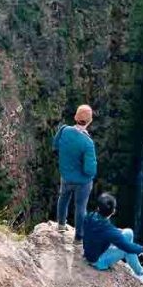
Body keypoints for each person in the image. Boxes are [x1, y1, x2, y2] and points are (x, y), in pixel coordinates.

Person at [82, 193, 143, 287]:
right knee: (127, 250)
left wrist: (116, 231)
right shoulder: (109, 230)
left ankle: (132, 261)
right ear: (113, 211)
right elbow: (128, 247)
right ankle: (140, 274)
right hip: (97, 261)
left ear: (98, 208)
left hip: (89, 252)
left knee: (128, 232)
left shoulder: (90, 216)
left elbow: (98, 232)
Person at [53, 104, 97, 242]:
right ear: (90, 121)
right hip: (82, 182)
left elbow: (55, 147)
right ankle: (78, 238)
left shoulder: (64, 130)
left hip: (66, 176)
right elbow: (90, 170)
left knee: (63, 198)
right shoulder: (87, 143)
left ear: (75, 117)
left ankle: (60, 225)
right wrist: (90, 177)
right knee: (80, 208)